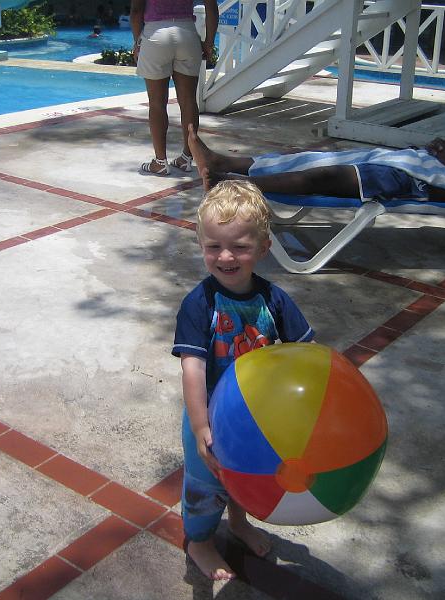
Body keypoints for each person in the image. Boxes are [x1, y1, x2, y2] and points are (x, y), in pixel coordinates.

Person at [172, 180, 315, 580]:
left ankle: (238, 523)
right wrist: (200, 425)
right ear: (201, 245)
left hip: (257, 420)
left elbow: (305, 356)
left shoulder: (274, 300)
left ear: (264, 248)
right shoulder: (199, 304)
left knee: (244, 479)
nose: (226, 256)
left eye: (240, 246)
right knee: (205, 486)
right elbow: (193, 368)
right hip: (211, 420)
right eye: (214, 246)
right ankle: (199, 542)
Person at [187, 112, 445, 215]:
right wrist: (440, 151)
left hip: (409, 181)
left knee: (326, 176)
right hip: (410, 162)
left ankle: (226, 183)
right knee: (317, 158)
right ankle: (225, 161)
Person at [132, 0, 219, 176]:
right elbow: (212, 8)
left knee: (157, 103)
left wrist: (137, 42)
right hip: (186, 33)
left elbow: (136, 11)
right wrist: (209, 43)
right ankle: (187, 158)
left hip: (155, 35)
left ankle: (160, 161)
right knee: (188, 102)